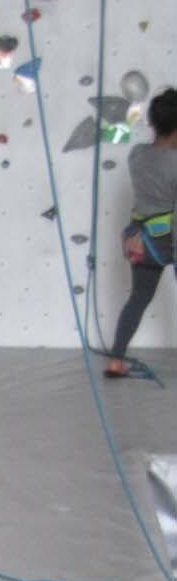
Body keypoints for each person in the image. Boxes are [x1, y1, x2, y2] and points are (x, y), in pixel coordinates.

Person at [105, 87, 177, 379]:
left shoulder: (137, 154)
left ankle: (116, 359)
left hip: (139, 238)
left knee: (138, 298)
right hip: (169, 238)